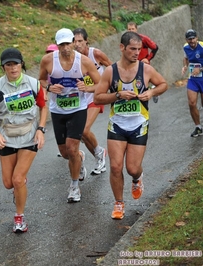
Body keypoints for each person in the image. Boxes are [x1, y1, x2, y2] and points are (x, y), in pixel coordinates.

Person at [94, 31, 168, 220]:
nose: (137, 53)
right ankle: (119, 203)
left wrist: (151, 93)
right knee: (116, 167)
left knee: (132, 168)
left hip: (139, 123)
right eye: (133, 49)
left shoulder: (146, 69)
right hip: (117, 124)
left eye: (139, 49)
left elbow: (163, 84)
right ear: (122, 48)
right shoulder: (111, 71)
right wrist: (118, 95)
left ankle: (137, 179)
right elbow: (98, 97)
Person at [0, 48, 47, 233]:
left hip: (29, 135)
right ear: (3, 67)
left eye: (16, 64)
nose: (13, 68)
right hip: (7, 136)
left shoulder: (34, 84)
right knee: (8, 183)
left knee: (18, 179)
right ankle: (19, 186)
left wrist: (41, 130)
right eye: (8, 65)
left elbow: (43, 107)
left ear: (22, 64)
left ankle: (19, 218)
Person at [39, 28, 101, 203]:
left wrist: (86, 88)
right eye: (62, 45)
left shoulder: (85, 62)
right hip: (58, 110)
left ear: (74, 42)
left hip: (78, 109)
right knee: (66, 153)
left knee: (72, 147)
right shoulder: (48, 60)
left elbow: (101, 83)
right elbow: (41, 81)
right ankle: (79, 159)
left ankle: (74, 187)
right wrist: (50, 88)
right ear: (57, 45)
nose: (65, 48)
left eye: (68, 43)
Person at [73, 27, 113, 175]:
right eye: (74, 41)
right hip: (80, 98)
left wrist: (112, 89)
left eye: (80, 41)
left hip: (96, 96)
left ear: (86, 41)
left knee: (84, 129)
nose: (77, 44)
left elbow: (112, 68)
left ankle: (99, 154)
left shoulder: (95, 54)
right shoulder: (72, 58)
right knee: (81, 133)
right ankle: (99, 153)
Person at [127, 21, 160, 103]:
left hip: (143, 64)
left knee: (143, 82)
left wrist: (147, 59)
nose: (131, 31)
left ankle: (153, 92)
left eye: (132, 29)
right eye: (129, 29)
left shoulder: (143, 39)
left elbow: (155, 48)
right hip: (132, 64)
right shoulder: (126, 41)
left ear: (136, 29)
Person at [181, 29, 203, 137]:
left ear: (197, 38)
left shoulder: (202, 46)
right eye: (189, 39)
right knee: (191, 103)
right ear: (186, 40)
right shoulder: (185, 47)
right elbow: (185, 58)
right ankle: (198, 127)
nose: (192, 41)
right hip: (193, 79)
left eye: (193, 38)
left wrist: (201, 69)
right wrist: (185, 66)